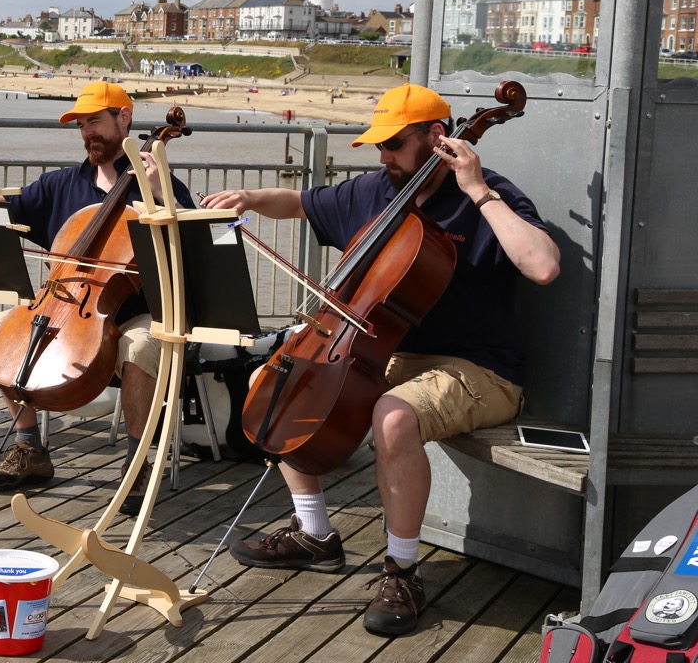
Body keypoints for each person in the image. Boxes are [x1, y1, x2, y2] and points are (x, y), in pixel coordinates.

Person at [202, 83, 560, 637]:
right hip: (394, 354)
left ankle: (401, 569)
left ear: (436, 137)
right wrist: (248, 198)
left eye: (394, 144)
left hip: (480, 369)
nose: (383, 156)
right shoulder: (377, 191)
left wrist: (479, 190)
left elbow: (542, 266)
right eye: (379, 145)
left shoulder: (487, 195)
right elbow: (298, 202)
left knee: (393, 416)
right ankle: (315, 533)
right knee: (280, 379)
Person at [0, 81, 195, 515]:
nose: (87, 133)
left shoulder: (161, 185)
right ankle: (30, 449)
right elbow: (8, 209)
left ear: (125, 119)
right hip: (71, 309)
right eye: (81, 126)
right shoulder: (62, 185)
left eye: (94, 122)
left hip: (142, 313)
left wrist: (158, 194)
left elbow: (198, 242)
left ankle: (137, 463)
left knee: (141, 345)